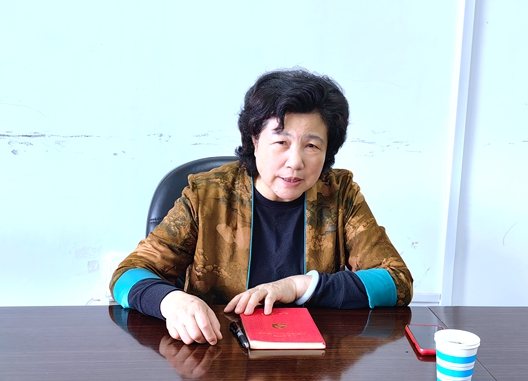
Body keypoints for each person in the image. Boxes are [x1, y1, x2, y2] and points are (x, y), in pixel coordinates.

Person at [109, 68, 413, 346]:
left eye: (311, 145)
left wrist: (299, 286)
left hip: (312, 360)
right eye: (281, 142)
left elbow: (397, 282)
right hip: (216, 353)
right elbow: (127, 275)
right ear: (254, 140)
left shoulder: (339, 194)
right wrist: (172, 301)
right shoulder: (207, 194)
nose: (295, 162)